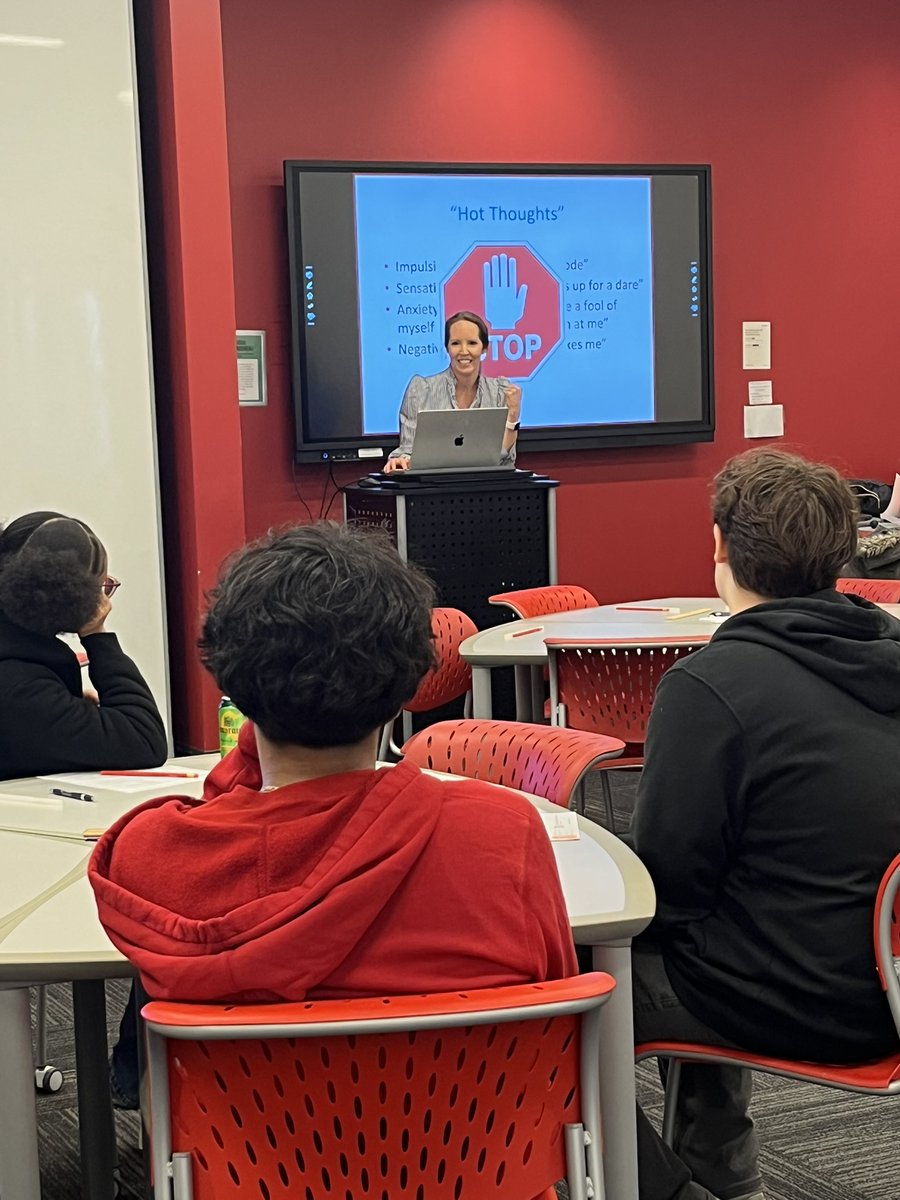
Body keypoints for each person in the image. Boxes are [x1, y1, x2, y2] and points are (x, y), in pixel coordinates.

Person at [89, 522, 576, 1004]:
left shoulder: (145, 852)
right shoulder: (502, 833)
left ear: (229, 687)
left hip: (233, 1083)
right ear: (406, 690)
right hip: (457, 1083)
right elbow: (554, 1007)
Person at [629, 449, 900, 1200]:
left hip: (801, 999)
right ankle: (723, 1174)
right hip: (889, 981)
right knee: (716, 931)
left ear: (718, 545)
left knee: (569, 992)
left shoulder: (711, 687)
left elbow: (668, 886)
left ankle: (675, 1189)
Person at [0, 511, 167, 779]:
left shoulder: (17, 660)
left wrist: (67, 703)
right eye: (100, 587)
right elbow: (144, 739)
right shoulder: (20, 686)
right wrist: (97, 635)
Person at [384, 310, 522, 472]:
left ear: (484, 348)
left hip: (486, 487)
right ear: (447, 348)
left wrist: (512, 417)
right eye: (456, 343)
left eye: (472, 343)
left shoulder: (500, 392)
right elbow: (408, 450)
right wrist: (401, 461)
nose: (464, 351)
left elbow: (505, 458)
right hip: (432, 488)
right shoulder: (421, 390)